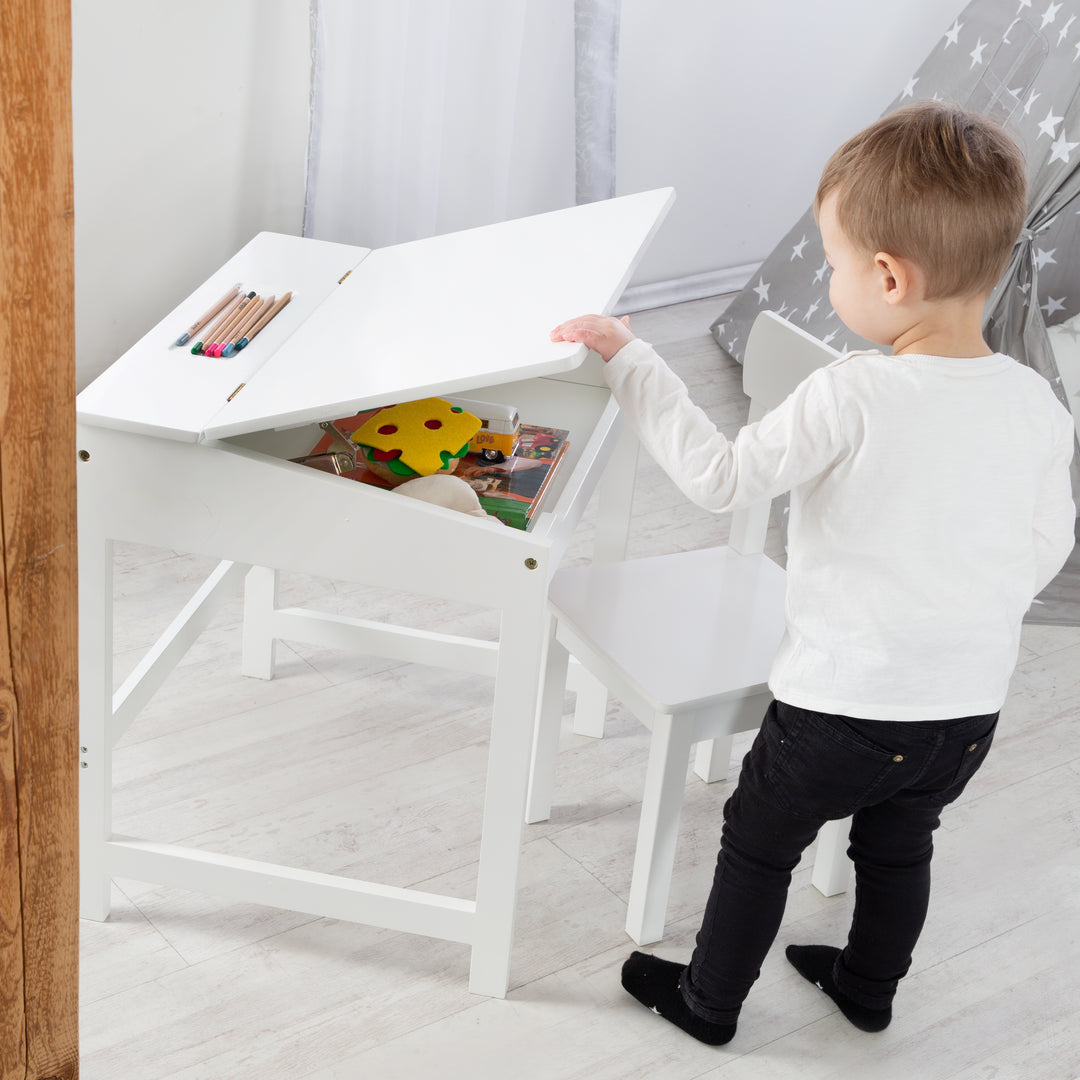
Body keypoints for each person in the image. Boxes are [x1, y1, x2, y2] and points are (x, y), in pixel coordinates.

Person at [549, 102, 1076, 1046]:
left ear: (888, 276)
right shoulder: (1037, 402)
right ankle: (868, 988)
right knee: (900, 844)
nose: (831, 281)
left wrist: (633, 362)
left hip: (842, 707)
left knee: (758, 846)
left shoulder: (855, 391)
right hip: (964, 712)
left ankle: (708, 1004)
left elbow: (719, 479)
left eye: (834, 265)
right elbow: (1047, 546)